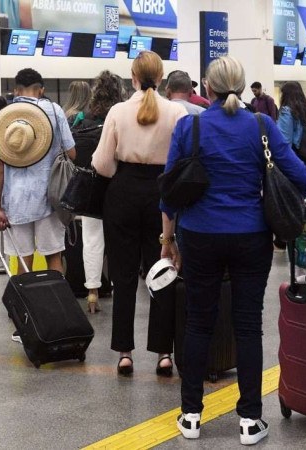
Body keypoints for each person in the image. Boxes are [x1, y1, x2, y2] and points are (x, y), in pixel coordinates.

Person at [161, 56, 306, 445]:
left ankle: (191, 416)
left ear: (207, 88)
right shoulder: (261, 126)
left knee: (198, 323)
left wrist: (168, 240)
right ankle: (249, 420)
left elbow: (169, 193)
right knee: (247, 325)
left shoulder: (189, 126)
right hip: (251, 236)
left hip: (199, 235)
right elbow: (302, 176)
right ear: (243, 88)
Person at [91, 51, 187, 377]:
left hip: (123, 194)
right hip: (162, 196)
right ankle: (163, 353)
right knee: (161, 272)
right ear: (161, 78)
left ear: (132, 78)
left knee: (124, 276)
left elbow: (102, 164)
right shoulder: (176, 111)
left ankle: (124, 353)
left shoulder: (118, 111)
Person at [0, 68, 76, 342]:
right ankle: (59, 317)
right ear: (41, 89)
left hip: (16, 200)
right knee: (53, 257)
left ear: (15, 90)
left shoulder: (3, 118)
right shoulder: (54, 111)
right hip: (50, 197)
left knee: (23, 261)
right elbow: (72, 152)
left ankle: (25, 325)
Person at [75, 71, 125, 314]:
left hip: (91, 185)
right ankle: (117, 284)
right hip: (117, 185)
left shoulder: (83, 118)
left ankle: (93, 291)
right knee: (118, 239)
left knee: (92, 239)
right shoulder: (123, 116)